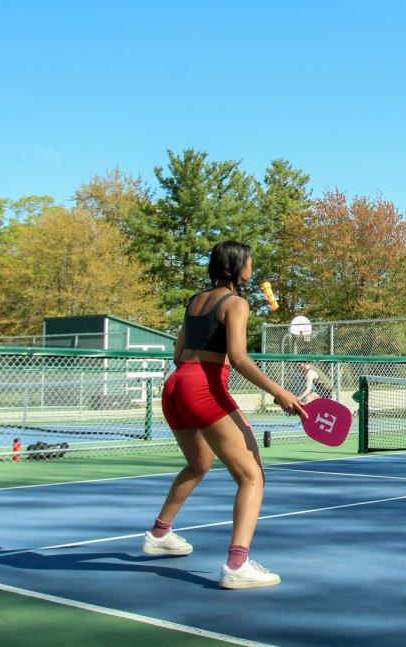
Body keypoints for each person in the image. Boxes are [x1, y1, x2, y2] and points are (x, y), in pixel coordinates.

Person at [142, 240, 306, 589]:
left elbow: (178, 354)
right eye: (248, 262)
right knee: (252, 476)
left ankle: (159, 533)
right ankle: (237, 564)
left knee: (199, 463)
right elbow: (240, 357)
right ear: (237, 267)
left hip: (175, 387)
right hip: (204, 389)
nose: (251, 268)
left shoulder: (195, 301)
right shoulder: (237, 304)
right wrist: (279, 392)